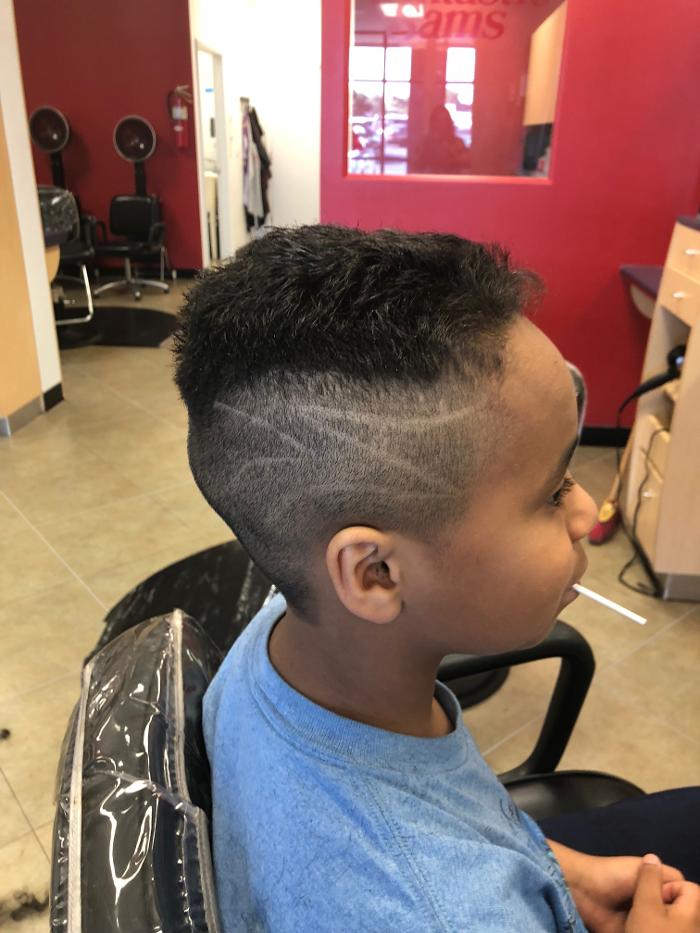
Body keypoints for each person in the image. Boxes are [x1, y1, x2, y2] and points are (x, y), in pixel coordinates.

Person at [174, 226, 700, 932]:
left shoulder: (287, 629)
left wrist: (552, 866)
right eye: (553, 491)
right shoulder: (439, 911)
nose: (585, 512)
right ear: (376, 573)